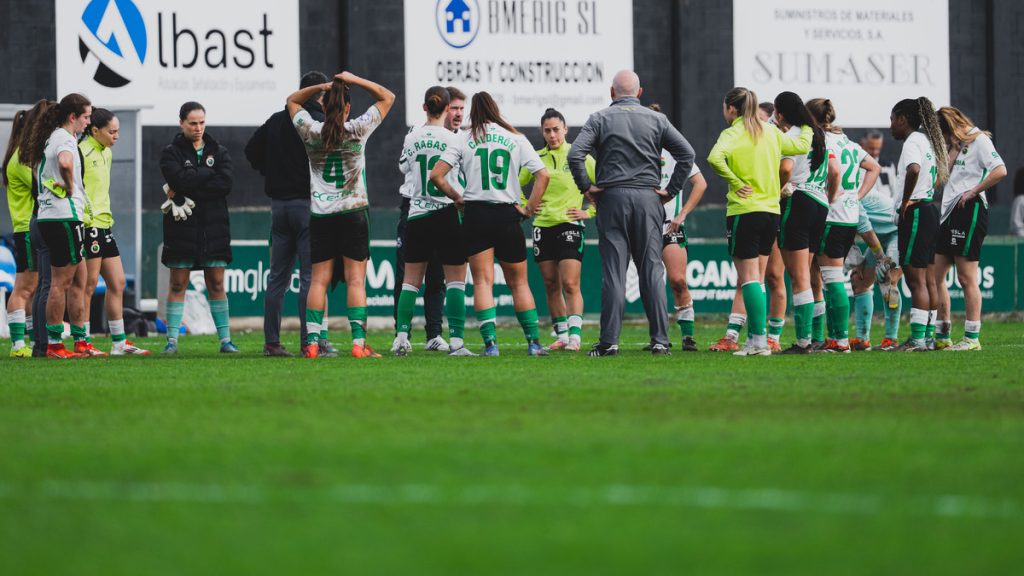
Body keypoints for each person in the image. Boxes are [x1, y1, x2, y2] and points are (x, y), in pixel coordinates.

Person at [568, 70, 696, 356]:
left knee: (614, 273)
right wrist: (671, 190)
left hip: (611, 199)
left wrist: (587, 188)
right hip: (648, 198)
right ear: (639, 93)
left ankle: (609, 341)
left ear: (612, 93)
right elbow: (687, 154)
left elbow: (575, 154)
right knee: (652, 270)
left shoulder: (599, 118)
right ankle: (661, 341)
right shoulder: (657, 119)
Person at [430, 91, 549, 356]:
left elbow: (436, 175)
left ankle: (491, 345)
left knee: (483, 282)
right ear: (496, 109)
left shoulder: (464, 138)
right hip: (507, 214)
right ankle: (533, 342)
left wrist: (457, 198)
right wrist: (528, 209)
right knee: (519, 283)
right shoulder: (515, 137)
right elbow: (543, 176)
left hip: (476, 215)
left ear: (473, 111)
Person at [288, 71, 395, 358]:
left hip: (322, 215)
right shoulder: (357, 129)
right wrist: (355, 79)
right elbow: (388, 97)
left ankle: (311, 343)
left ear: (323, 106)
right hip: (353, 212)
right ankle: (359, 345)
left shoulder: (311, 131)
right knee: (356, 280)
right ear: (347, 108)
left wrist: (321, 86)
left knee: (318, 281)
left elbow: (292, 101)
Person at [707, 87, 813, 356]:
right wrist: (808, 123)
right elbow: (802, 145)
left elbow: (713, 158)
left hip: (745, 210)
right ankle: (758, 340)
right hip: (771, 212)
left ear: (732, 109)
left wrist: (735, 181)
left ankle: (757, 342)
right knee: (759, 279)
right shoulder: (771, 131)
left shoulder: (732, 133)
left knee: (749, 279)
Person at [246, 71, 330, 357]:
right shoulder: (316, 121)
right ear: (318, 94)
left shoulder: (276, 119)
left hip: (278, 207)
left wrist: (270, 171)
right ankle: (310, 342)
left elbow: (250, 150)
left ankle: (271, 342)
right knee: (310, 278)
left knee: (277, 279)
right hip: (308, 206)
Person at [392, 87, 474, 357]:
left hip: (417, 213)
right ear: (447, 108)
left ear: (425, 107)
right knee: (455, 283)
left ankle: (401, 338)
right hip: (447, 211)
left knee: (410, 283)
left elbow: (404, 168)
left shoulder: (412, 136)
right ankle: (457, 343)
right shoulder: (455, 139)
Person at [159, 101, 237, 355]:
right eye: (193, 123)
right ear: (181, 123)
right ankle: (171, 341)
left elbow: (225, 184)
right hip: (182, 227)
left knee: (216, 283)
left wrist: (189, 180)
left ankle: (225, 341)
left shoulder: (220, 151)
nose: (198, 128)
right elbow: (177, 179)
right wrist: (206, 174)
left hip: (214, 228)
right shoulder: (170, 152)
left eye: (202, 122)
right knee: (178, 283)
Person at [19, 93, 92, 358]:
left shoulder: (50, 137)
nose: (88, 122)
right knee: (60, 283)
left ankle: (81, 342)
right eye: (86, 117)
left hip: (54, 217)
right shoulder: (63, 138)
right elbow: (64, 162)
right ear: (73, 117)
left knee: (79, 280)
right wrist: (71, 185)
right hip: (63, 217)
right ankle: (54, 345)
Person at [519, 107, 596, 352]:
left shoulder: (579, 155)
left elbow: (602, 187)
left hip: (570, 224)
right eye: (547, 130)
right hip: (542, 227)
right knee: (551, 284)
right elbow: (515, 184)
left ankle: (575, 337)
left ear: (565, 129)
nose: (552, 135)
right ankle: (562, 334)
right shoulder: (536, 157)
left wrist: (590, 212)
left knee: (570, 283)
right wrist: (526, 206)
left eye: (556, 129)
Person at [807, 98, 880, 353]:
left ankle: (839, 341)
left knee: (831, 278)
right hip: (849, 217)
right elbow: (874, 167)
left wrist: (831, 198)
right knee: (827, 277)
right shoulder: (847, 142)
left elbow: (834, 172)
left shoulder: (821, 141)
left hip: (832, 216)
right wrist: (857, 196)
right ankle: (832, 337)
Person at [932, 106, 1006, 351]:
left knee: (966, 277)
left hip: (970, 209)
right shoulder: (958, 144)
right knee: (936, 276)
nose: (940, 138)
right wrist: (952, 147)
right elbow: (940, 180)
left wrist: (974, 190)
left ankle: (972, 338)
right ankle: (943, 335)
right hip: (949, 212)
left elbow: (1000, 170)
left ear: (950, 127)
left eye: (942, 133)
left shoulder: (980, 140)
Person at [77, 108, 149, 355]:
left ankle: (119, 342)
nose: (117, 136)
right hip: (90, 226)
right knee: (88, 285)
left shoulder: (106, 153)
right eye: (112, 131)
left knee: (117, 282)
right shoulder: (81, 151)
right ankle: (83, 342)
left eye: (119, 131)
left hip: (105, 225)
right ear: (95, 130)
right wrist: (85, 220)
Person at [772, 91, 838, 354]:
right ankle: (814, 337)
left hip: (798, 201)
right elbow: (833, 171)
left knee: (798, 277)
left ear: (781, 113)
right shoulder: (818, 134)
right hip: (819, 203)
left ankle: (803, 342)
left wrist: (775, 190)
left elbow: (786, 169)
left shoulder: (792, 136)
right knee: (810, 277)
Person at [889, 97, 948, 352]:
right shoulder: (927, 141)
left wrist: (905, 202)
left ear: (903, 119)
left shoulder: (913, 141)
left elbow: (913, 170)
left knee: (916, 282)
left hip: (916, 211)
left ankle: (917, 340)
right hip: (929, 210)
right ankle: (928, 337)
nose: (891, 126)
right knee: (930, 281)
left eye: (892, 120)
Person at [648, 104, 707, 352]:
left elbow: (700, 184)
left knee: (678, 280)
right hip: (643, 226)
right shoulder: (635, 150)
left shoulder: (675, 152)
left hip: (669, 227)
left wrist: (682, 214)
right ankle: (658, 336)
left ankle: (688, 336)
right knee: (650, 283)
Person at [2, 107, 38, 357]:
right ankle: (17, 344)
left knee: (31, 287)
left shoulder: (19, 156)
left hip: (26, 228)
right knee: (24, 287)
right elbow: (40, 189)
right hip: (25, 228)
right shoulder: (20, 160)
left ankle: (33, 340)